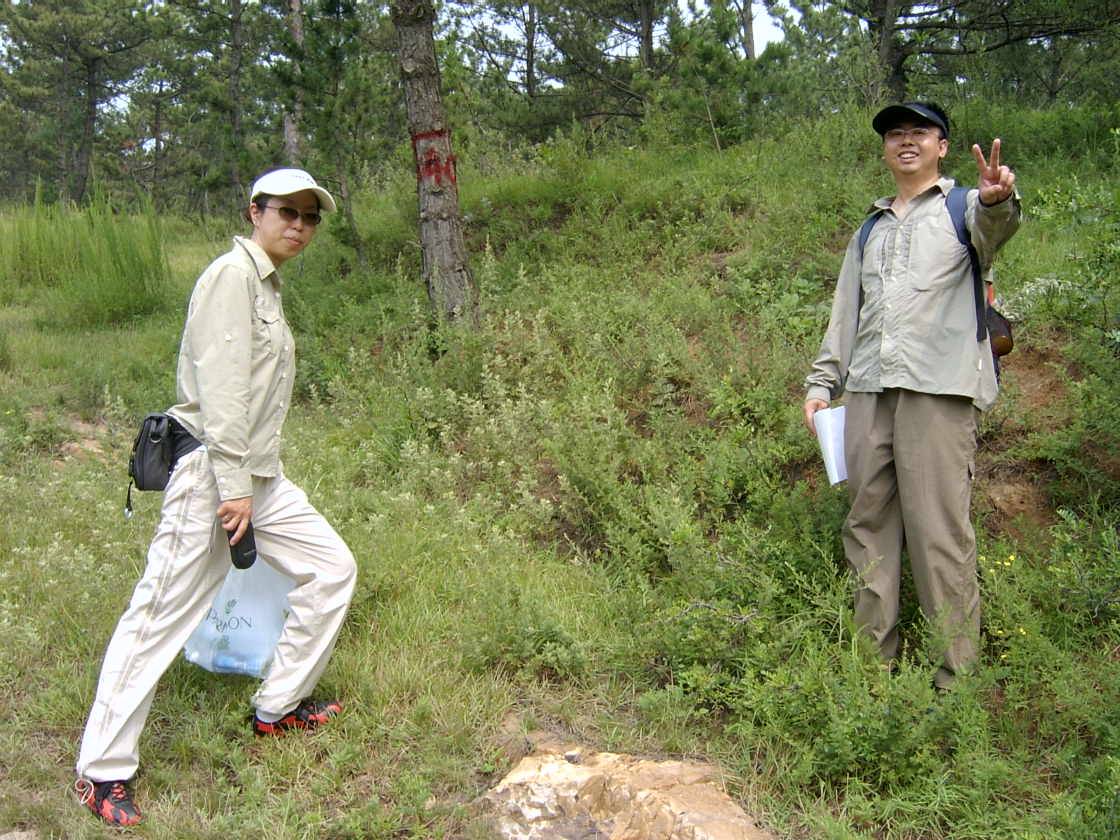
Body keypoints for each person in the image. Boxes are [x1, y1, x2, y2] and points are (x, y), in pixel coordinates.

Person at [75, 169, 358, 826]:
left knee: (331, 567)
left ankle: (277, 708)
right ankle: (101, 771)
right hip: (214, 472)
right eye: (287, 212)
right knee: (158, 616)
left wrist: (253, 484)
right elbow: (223, 391)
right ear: (255, 212)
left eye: (310, 217)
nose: (299, 225)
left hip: (260, 476)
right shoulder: (232, 277)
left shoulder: (266, 285)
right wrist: (233, 491)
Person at [803, 103, 1020, 690]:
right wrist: (822, 384)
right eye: (895, 133)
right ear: (885, 149)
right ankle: (874, 672)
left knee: (938, 535)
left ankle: (956, 681)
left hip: (938, 393)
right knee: (867, 527)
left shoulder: (963, 208)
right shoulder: (869, 229)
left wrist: (998, 199)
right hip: (868, 393)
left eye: (919, 132)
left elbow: (995, 229)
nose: (906, 141)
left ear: (941, 146)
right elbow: (846, 314)